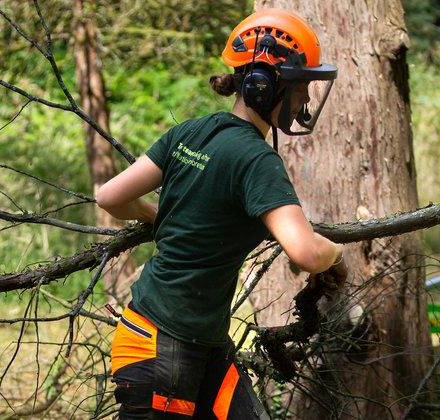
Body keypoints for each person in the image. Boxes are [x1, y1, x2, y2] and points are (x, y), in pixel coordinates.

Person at [95, 8, 348, 419]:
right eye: (302, 87)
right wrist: (335, 253)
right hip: (160, 347)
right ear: (264, 85)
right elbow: (305, 252)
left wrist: (158, 215)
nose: (306, 99)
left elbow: (110, 197)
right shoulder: (257, 160)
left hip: (203, 343)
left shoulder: (189, 132)